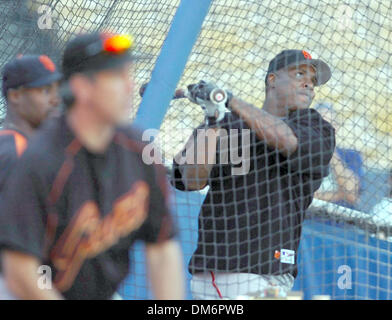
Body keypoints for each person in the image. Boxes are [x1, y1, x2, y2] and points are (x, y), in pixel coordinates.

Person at [0, 32, 185, 300]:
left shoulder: (138, 150)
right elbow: (22, 272)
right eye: (116, 77)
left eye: (128, 75)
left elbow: (162, 244)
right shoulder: (37, 161)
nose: (129, 86)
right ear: (82, 87)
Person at [172, 50, 336, 299]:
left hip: (279, 275)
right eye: (299, 73)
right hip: (230, 273)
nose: (309, 84)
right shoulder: (228, 126)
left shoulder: (317, 127)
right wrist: (212, 120)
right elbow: (192, 179)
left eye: (313, 80)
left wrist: (229, 100)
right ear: (272, 79)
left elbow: (285, 139)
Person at [0, 54, 61, 192]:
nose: (55, 100)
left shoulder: (25, 146)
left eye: (56, 91)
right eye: (46, 91)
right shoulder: (14, 153)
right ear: (15, 96)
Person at [313, 102, 363, 210]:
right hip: (310, 220)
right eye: (319, 124)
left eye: (329, 123)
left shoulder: (351, 156)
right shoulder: (303, 154)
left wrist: (331, 151)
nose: (324, 129)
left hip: (343, 223)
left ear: (337, 126)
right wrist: (340, 194)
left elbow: (351, 195)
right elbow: (303, 196)